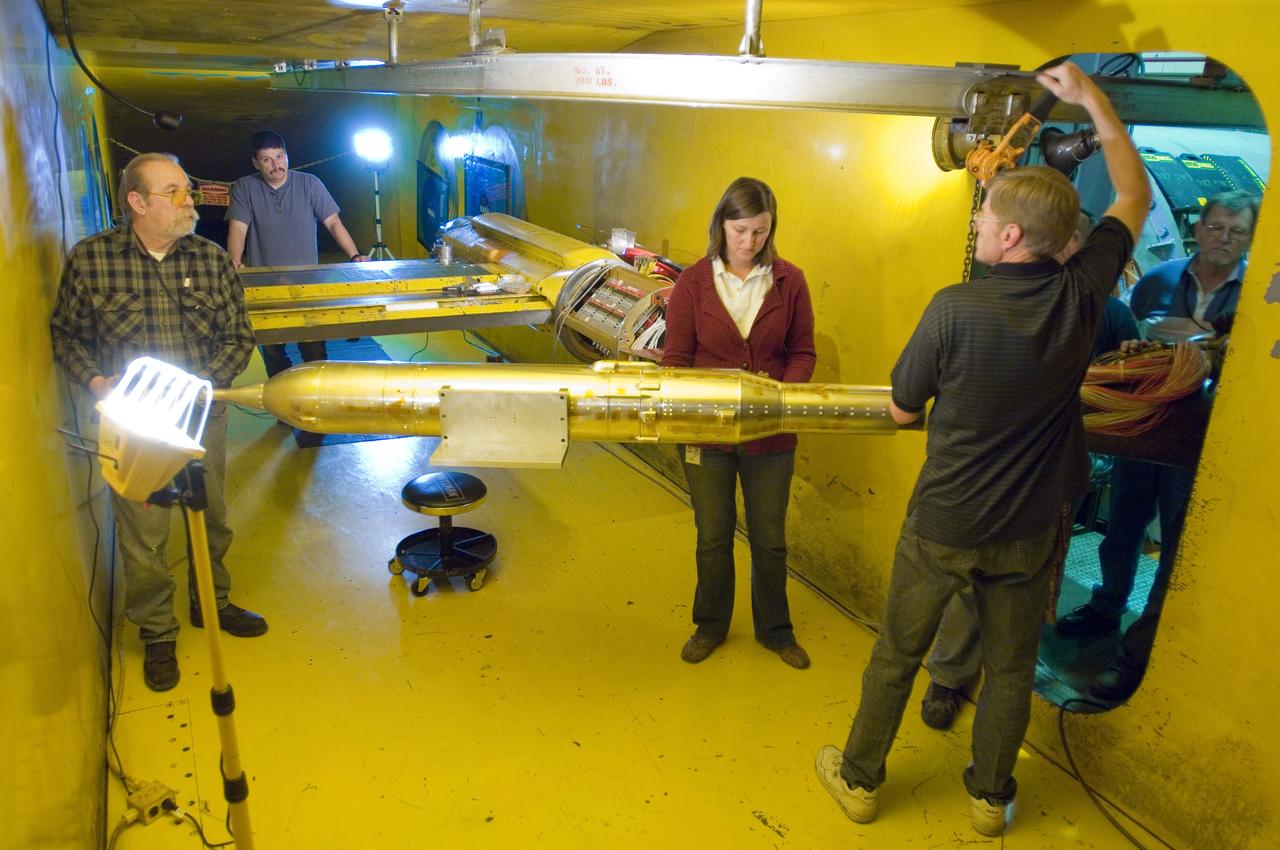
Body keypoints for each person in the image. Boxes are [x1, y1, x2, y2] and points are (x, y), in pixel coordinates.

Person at [815, 61, 1150, 837]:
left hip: (945, 525)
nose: (974, 224)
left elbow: (902, 409)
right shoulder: (1083, 293)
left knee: (898, 656)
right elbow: (1131, 195)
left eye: (983, 215)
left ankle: (861, 780)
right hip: (1032, 529)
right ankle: (989, 800)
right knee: (1006, 671)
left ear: (1008, 235)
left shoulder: (954, 307)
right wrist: (1093, 100)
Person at [50, 153, 268, 693]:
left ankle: (211, 603)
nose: (188, 200)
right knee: (144, 531)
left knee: (211, 514)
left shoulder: (212, 259)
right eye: (174, 192)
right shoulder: (92, 261)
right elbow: (67, 336)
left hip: (200, 417)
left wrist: (198, 390)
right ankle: (156, 632)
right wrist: (99, 384)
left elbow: (238, 338)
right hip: (136, 427)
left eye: (187, 191)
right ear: (137, 202)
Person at [919, 211, 1139, 731]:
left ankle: (1006, 685)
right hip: (984, 478)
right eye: (1059, 242)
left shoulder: (1103, 313)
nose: (1065, 254)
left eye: (1076, 245)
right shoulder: (987, 303)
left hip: (1050, 482)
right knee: (970, 583)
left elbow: (1124, 392)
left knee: (1029, 590)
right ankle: (948, 679)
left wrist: (1130, 361)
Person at [1056, 189, 1257, 701]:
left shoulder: (1259, 297)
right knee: (1121, 527)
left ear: (1250, 238)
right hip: (1142, 432)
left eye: (1237, 230)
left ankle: (1142, 647)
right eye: (1216, 226)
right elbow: (1126, 350)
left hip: (1200, 446)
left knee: (1176, 546)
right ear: (1200, 228)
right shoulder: (1156, 282)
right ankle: (1106, 608)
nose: (1224, 237)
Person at [660, 177, 816, 670]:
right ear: (721, 226)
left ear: (772, 230)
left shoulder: (790, 282)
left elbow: (802, 352)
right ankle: (709, 625)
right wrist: (688, 409)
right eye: (740, 230)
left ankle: (776, 630)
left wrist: (780, 396)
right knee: (713, 533)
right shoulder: (693, 283)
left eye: (760, 232)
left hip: (772, 435)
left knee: (770, 536)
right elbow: (677, 359)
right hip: (707, 432)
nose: (749, 243)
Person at [226, 129, 368, 378]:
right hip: (265, 286)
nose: (276, 165)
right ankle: (283, 403)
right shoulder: (244, 188)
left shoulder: (309, 183)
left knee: (314, 350)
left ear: (287, 156)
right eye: (267, 159)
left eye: (280, 157)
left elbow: (333, 223)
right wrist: (234, 262)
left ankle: (316, 401)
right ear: (255, 162)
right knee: (272, 351)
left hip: (308, 286)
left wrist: (355, 255)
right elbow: (238, 227)